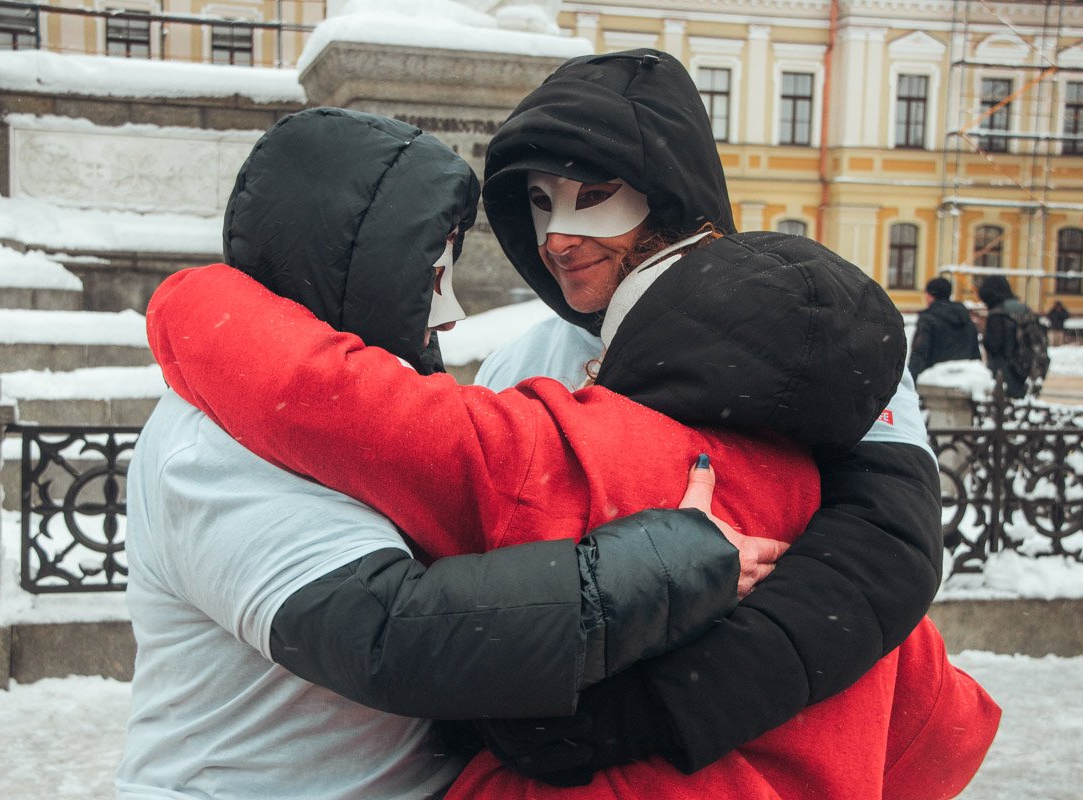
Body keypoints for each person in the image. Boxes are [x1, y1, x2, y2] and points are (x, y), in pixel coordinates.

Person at [145, 235, 999, 800]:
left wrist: (193, 300)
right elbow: (948, 733)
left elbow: (345, 409)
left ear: (669, 332)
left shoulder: (609, 455)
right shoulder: (841, 534)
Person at [117, 107, 786, 800]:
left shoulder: (349, 414)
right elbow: (393, 639)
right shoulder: (211, 447)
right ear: (360, 274)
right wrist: (661, 569)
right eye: (430, 283)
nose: (451, 313)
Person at [471, 47, 950, 782]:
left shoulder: (810, 327)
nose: (557, 239)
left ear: (665, 194)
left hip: (754, 755)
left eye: (592, 195)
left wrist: (657, 707)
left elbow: (882, 547)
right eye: (537, 202)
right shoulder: (517, 361)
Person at [977, 274, 1050, 398]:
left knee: (1001, 409)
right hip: (1025, 370)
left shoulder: (997, 314)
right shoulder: (1024, 309)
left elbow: (993, 345)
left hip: (1005, 373)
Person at [908, 276, 982, 381]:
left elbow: (920, 352)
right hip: (964, 380)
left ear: (930, 296)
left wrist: (912, 380)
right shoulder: (965, 318)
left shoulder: (928, 319)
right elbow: (975, 353)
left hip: (935, 381)